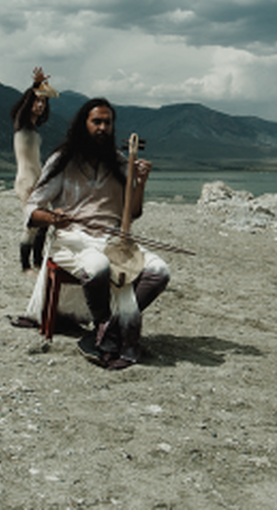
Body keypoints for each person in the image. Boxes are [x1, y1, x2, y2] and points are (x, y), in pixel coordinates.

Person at [24, 98, 170, 370]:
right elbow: (32, 209)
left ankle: (104, 331)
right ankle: (108, 325)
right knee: (97, 266)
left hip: (113, 240)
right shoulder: (62, 159)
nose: (103, 127)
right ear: (83, 125)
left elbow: (133, 212)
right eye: (96, 122)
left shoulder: (119, 161)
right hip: (72, 239)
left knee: (160, 271)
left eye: (107, 122)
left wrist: (141, 183)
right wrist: (53, 217)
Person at [10, 67, 56, 274]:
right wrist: (35, 87)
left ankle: (38, 262)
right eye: (36, 101)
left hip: (38, 179)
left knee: (44, 223)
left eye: (42, 102)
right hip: (26, 181)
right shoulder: (22, 124)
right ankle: (25, 266)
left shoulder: (34, 128)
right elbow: (22, 108)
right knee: (32, 223)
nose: (39, 105)